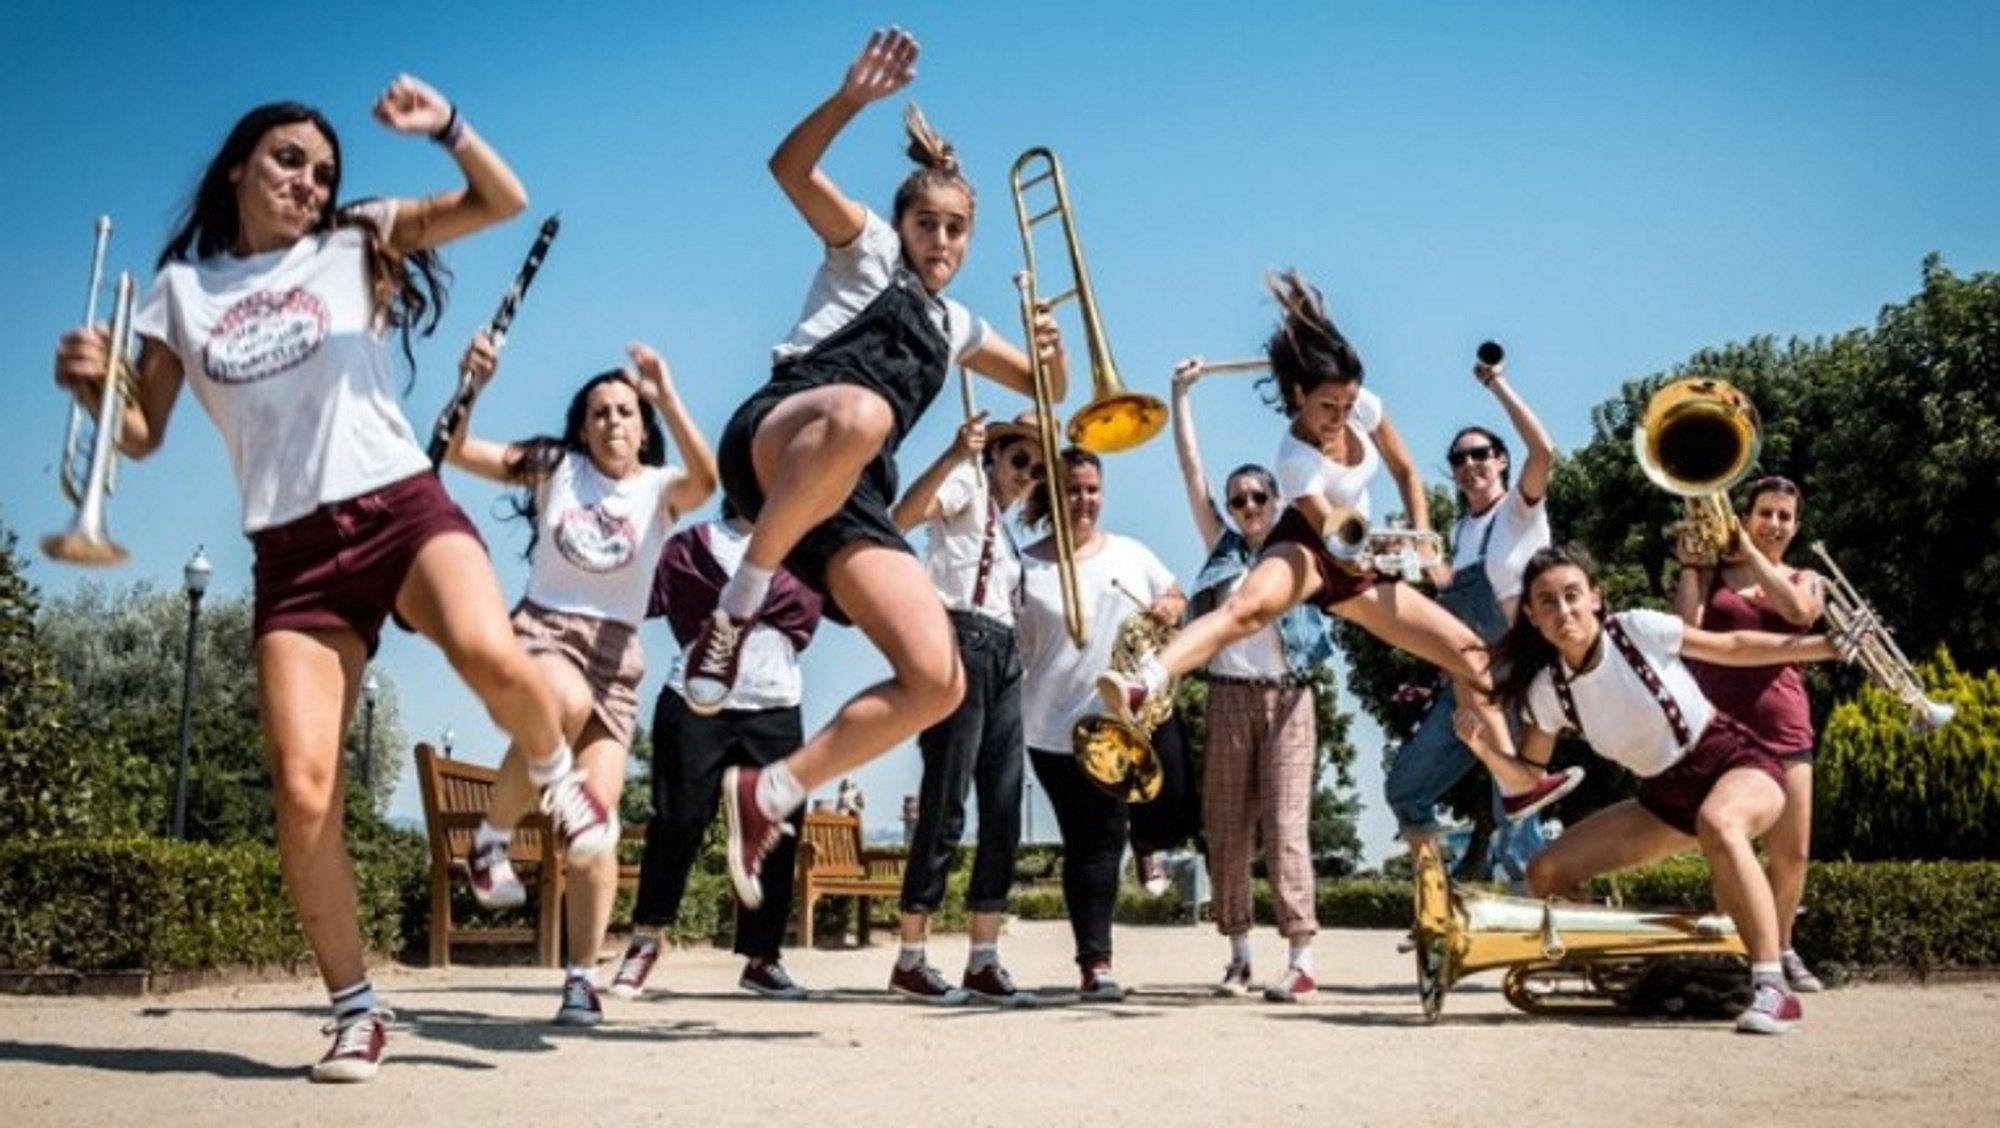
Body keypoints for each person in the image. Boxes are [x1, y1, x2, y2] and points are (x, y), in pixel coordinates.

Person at [50, 78, 602, 1082]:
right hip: (292, 554)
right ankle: (355, 1007)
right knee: (303, 793)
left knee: (486, 651)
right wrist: (95, 389)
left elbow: (503, 201)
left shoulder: (352, 243)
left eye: (324, 170)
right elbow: (142, 431)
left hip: (396, 504)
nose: (309, 181)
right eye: (289, 160)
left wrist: (448, 129)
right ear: (237, 167)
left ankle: (553, 779)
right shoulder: (182, 291)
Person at [694, 28, 1066, 911]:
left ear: (970, 239)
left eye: (956, 228)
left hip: (849, 496)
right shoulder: (863, 250)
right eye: (928, 222)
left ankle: (771, 792)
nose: (941, 238)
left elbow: (1047, 396)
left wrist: (1050, 359)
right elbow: (788, 169)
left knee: (940, 680)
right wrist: (850, 100)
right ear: (901, 224)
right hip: (782, 437)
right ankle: (735, 609)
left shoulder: (958, 326)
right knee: (864, 412)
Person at [1098, 272, 1579, 822]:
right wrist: (1374, 550)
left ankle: (1515, 784)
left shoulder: (1364, 405)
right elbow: (1334, 536)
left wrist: (1423, 541)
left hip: (1360, 563)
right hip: (1311, 546)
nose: (1341, 417)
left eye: (1348, 404)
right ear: (1299, 396)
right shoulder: (1293, 458)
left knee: (1472, 658)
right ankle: (1147, 682)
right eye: (1329, 406)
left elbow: (1403, 470)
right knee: (1246, 610)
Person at [443, 337, 716, 1025]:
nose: (613, 423)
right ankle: (491, 842)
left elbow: (707, 482)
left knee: (597, 838)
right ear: (582, 425)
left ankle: (578, 977)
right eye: (599, 413)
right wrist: (470, 386)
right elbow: (456, 448)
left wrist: (668, 394)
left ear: (643, 425)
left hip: (617, 658)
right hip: (544, 633)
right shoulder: (555, 468)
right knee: (558, 701)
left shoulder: (658, 490)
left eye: (625, 412)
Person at [1485, 544, 1845, 1035]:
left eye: (1572, 595)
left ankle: (1772, 988)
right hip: (1665, 798)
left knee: (1720, 821)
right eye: (1546, 601)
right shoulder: (1548, 690)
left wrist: (1822, 646)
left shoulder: (1636, 629)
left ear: (1596, 597)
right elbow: (1528, 777)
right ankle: (1616, 969)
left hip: (1736, 763)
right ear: (1531, 615)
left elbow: (1735, 646)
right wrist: (1483, 749)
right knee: (1546, 870)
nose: (1562, 609)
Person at [1167, 360, 1336, 1002]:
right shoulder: (1223, 550)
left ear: (1276, 500)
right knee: (1228, 829)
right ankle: (1238, 953)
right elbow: (1191, 472)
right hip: (1228, 697)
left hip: (1290, 696)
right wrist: (1180, 395)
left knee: (1288, 825)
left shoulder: (1298, 549)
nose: (1246, 508)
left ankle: (1301, 955)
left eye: (1257, 497)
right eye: (1238, 500)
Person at [609, 504, 825, 1002]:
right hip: (695, 700)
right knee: (679, 819)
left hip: (774, 705)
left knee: (780, 826)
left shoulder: (807, 548)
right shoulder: (692, 545)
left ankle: (762, 957)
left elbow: (855, 598)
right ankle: (646, 941)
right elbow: (633, 596)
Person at [881, 410, 1042, 1005]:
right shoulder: (966, 487)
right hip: (960, 641)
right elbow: (900, 519)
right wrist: (954, 454)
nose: (1028, 474)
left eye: (1035, 467)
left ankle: (983, 956)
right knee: (946, 799)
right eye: (1019, 460)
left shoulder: (1010, 532)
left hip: (1004, 656)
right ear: (995, 455)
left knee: (1003, 805)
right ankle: (911, 956)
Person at [1383, 349, 1558, 888]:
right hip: (1467, 681)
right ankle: (1437, 899)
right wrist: (1399, 552)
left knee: (1517, 811)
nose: (1470, 465)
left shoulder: (1519, 512)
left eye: (1481, 453)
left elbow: (1544, 450)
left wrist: (1498, 384)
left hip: (1521, 679)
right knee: (1406, 787)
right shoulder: (1458, 535)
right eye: (1458, 460)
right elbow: (1443, 594)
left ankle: (1538, 932)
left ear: (1501, 460)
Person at [1019, 447, 1188, 1001]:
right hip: (1054, 729)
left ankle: (1150, 839)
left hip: (1127, 716)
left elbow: (1176, 594)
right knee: (1091, 843)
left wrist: (1170, 605)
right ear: (1051, 495)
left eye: (1092, 489)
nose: (1084, 500)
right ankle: (1096, 963)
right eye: (1072, 489)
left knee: (1174, 791)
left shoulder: (1131, 553)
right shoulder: (1027, 568)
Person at [1673, 475, 1827, 994]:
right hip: (1723, 728)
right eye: (1766, 513)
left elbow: (1801, 613)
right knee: (1728, 842)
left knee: (1793, 853)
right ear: (1748, 514)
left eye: (1785, 516)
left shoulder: (1805, 576)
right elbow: (1685, 631)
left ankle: (1781, 946)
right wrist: (1693, 566)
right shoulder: (1715, 571)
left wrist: (1751, 553)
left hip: (1785, 725)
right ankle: (1743, 952)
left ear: (1797, 525)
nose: (1775, 524)